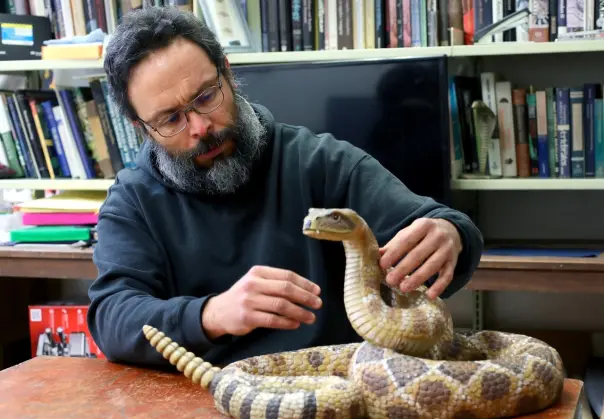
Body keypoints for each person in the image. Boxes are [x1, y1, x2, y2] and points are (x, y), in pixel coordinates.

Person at [87, 6, 484, 369]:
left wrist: (451, 234)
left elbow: (435, 223)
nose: (199, 128)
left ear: (228, 72)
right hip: (202, 398)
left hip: (336, 390)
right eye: (171, 119)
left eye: (207, 96)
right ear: (142, 128)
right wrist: (211, 314)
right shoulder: (132, 201)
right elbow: (112, 318)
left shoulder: (320, 162)